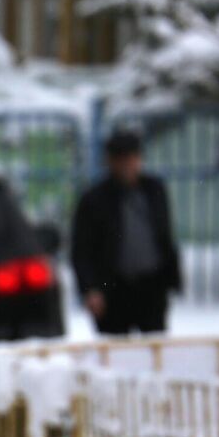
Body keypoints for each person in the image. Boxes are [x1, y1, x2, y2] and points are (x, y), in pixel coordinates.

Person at [70, 130, 182, 336]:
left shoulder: (154, 190)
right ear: (110, 161)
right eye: (120, 159)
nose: (126, 166)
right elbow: (82, 249)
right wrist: (91, 289)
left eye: (131, 158)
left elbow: (164, 236)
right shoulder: (95, 199)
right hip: (112, 289)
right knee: (116, 355)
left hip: (151, 287)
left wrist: (171, 278)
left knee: (154, 349)